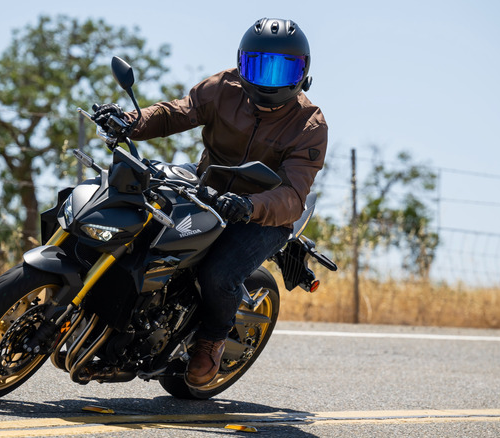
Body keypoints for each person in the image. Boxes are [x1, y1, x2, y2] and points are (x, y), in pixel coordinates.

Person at [92, 17, 327, 387]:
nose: (269, 79)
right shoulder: (223, 87)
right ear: (241, 62)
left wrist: (250, 206)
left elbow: (294, 194)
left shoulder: (308, 124)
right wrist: (130, 121)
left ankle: (212, 339)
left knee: (217, 274)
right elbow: (177, 111)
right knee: (140, 220)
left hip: (263, 215)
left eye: (282, 69)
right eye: (259, 65)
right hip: (206, 184)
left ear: (302, 72)